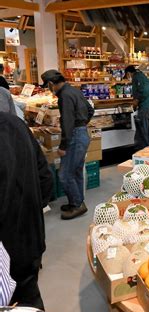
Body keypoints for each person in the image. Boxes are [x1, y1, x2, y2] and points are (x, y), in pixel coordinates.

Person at [0, 112, 53, 309]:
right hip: (30, 240)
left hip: (5, 252)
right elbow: (46, 179)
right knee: (30, 301)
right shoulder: (15, 123)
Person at [41, 69, 93, 220]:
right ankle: (76, 201)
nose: (49, 89)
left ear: (51, 84)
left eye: (48, 86)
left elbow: (67, 122)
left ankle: (77, 205)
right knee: (75, 171)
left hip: (74, 137)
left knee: (64, 174)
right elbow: (90, 110)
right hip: (82, 133)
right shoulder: (74, 90)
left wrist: (63, 146)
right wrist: (82, 123)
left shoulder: (64, 95)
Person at [124, 65, 149, 150]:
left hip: (145, 109)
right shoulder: (143, 76)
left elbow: (142, 90)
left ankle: (143, 155)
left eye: (127, 76)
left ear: (128, 73)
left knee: (143, 135)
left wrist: (136, 101)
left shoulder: (137, 77)